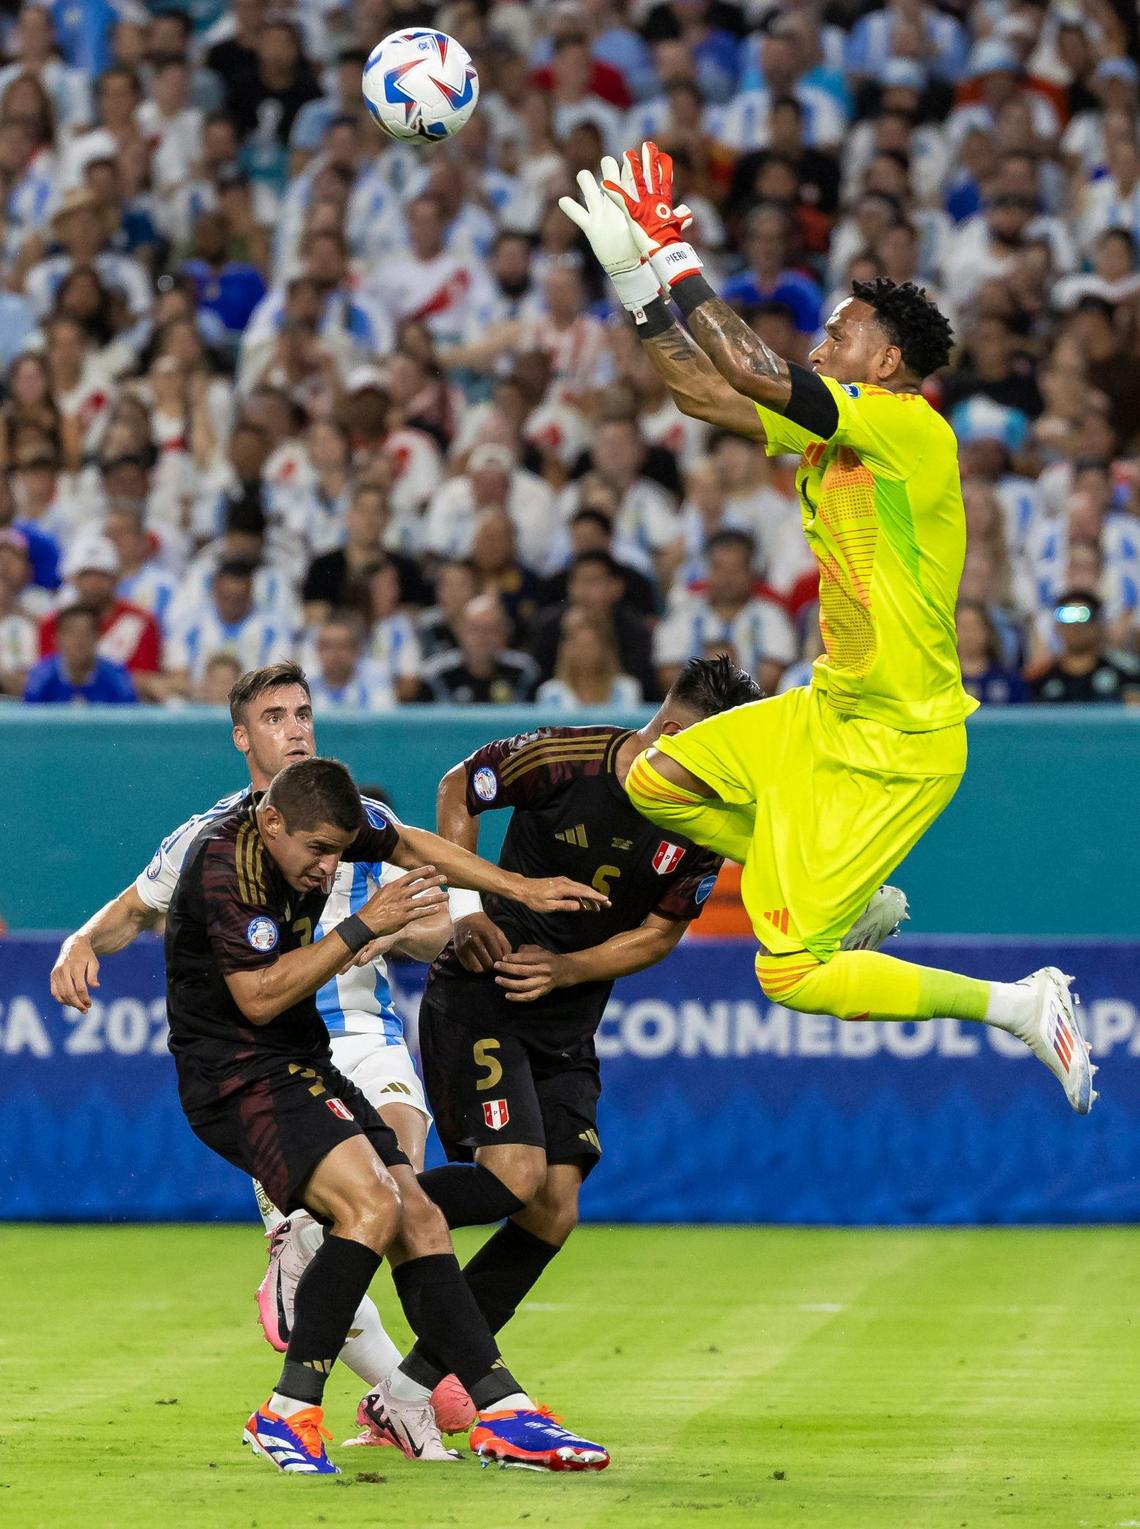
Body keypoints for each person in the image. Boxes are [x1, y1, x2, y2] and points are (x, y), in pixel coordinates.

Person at [560, 141, 1097, 1117]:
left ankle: (1018, 1003)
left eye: (839, 333)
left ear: (886, 361)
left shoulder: (908, 426)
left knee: (790, 972)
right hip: (828, 710)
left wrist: (674, 255)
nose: (820, 344)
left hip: (901, 740)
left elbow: (756, 370)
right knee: (651, 771)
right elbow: (702, 391)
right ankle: (847, 899)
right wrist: (634, 281)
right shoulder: (835, 432)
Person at [49, 663, 611, 1469]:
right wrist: (78, 940)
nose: (296, 725)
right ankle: (316, 1384)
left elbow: (413, 845)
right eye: (275, 715)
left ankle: (499, 1409)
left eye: (304, 711)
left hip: (329, 1043)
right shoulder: (217, 853)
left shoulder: (340, 816)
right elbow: (240, 983)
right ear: (244, 739)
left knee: (405, 1204)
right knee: (375, 1207)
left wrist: (511, 889)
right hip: (244, 1064)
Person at [349, 657, 908, 1444]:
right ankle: (351, 1203)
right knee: (514, 1176)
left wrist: (570, 968)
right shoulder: (567, 757)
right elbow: (458, 785)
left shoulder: (699, 816)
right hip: (482, 991)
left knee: (554, 1206)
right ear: (677, 729)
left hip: (565, 1017)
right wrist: (469, 906)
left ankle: (404, 1389)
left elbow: (659, 932)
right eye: (722, 750)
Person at [1029, 590, 1140, 705]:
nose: (1075, 626)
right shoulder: (1040, 678)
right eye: (1067, 617)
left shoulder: (1126, 674)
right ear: (1057, 626)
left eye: (1084, 616)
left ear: (1099, 624)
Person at [23, 602, 136, 704]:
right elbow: (28, 721)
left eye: (86, 633)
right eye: (71, 633)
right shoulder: (40, 677)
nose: (79, 640)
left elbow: (131, 721)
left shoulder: (116, 676)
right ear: (57, 639)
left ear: (98, 637)